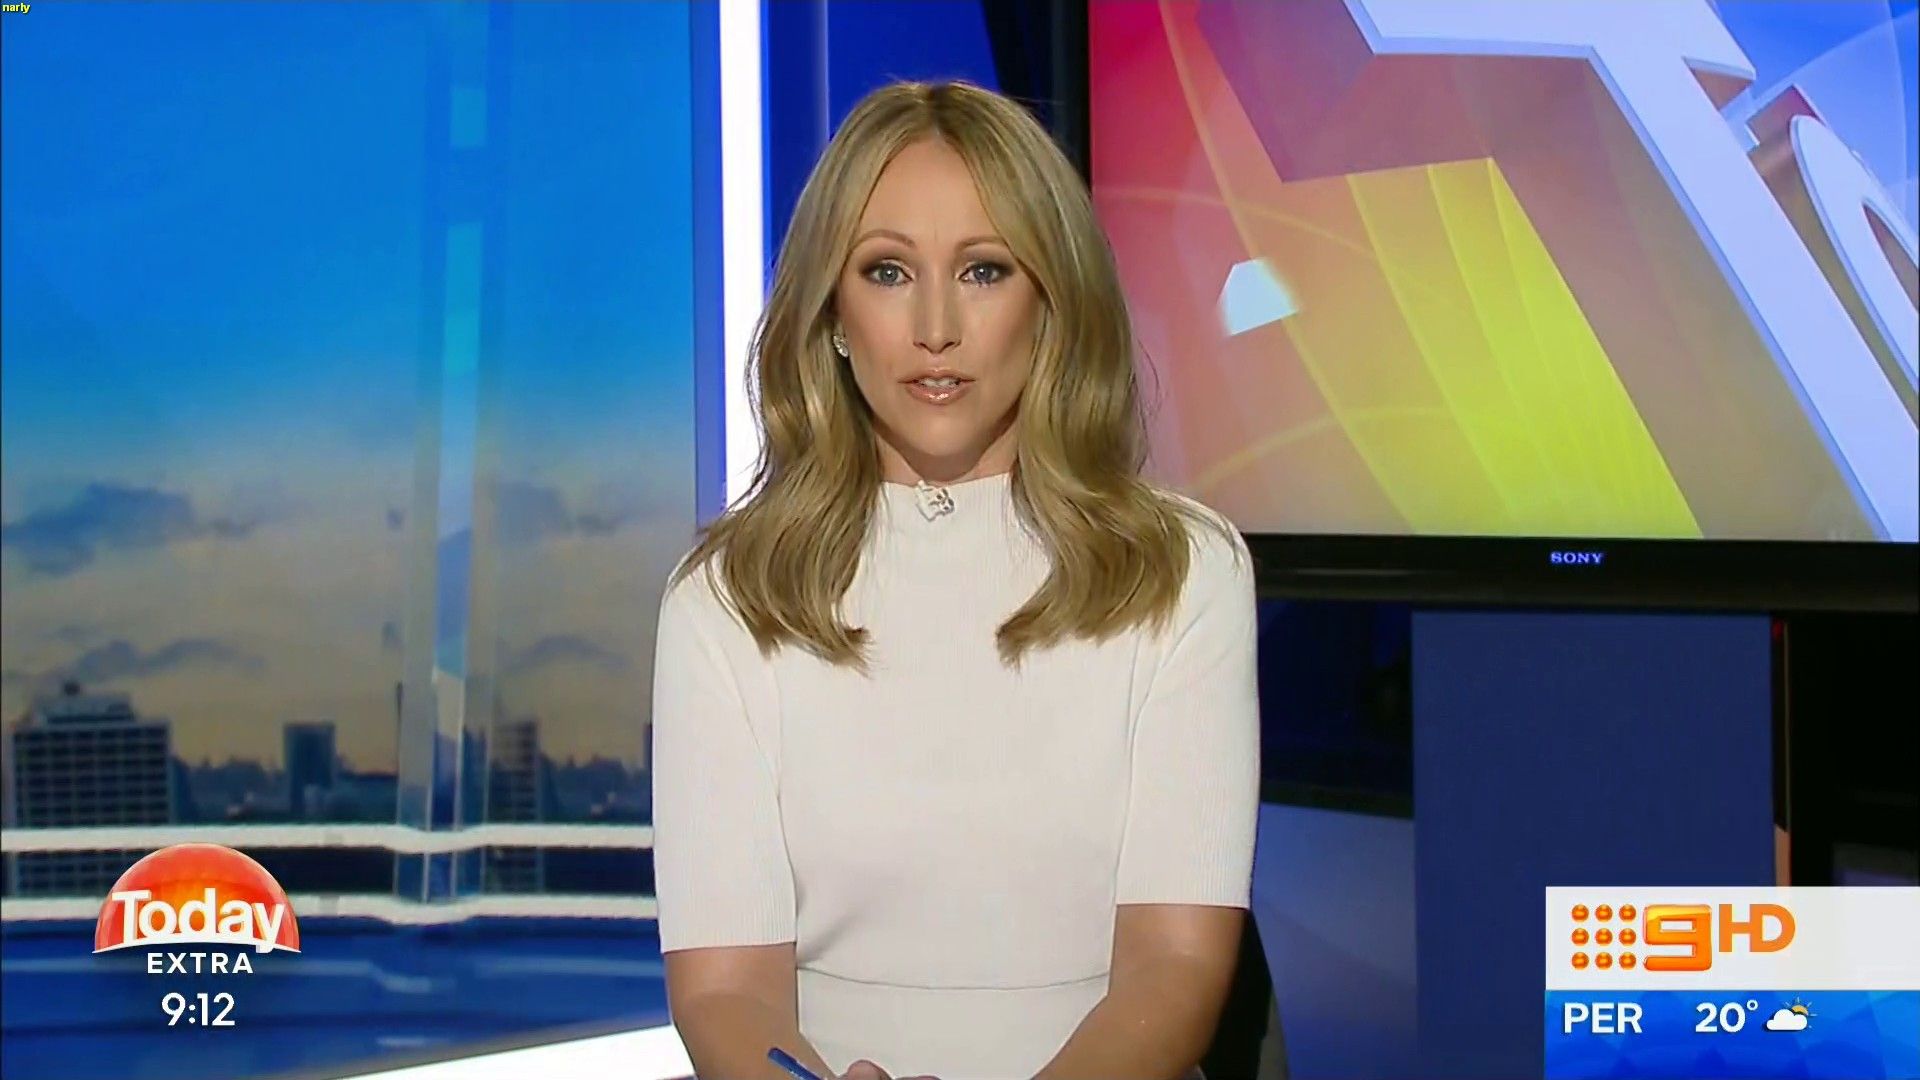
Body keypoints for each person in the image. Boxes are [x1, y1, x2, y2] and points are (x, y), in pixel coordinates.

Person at [651, 79, 1259, 1080]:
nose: (935, 326)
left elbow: (1176, 964)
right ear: (832, 312)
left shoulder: (1183, 573)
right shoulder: (724, 599)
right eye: (887, 271)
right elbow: (725, 991)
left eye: (983, 270)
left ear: (1049, 303)